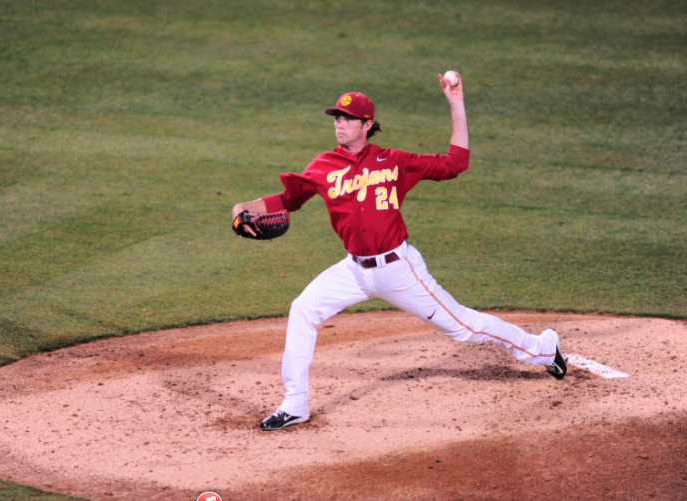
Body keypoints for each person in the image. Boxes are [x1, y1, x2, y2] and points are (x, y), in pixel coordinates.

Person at [231, 73, 567, 431]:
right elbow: (287, 201)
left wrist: (456, 103)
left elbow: (456, 163)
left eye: (347, 118)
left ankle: (543, 348)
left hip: (398, 269)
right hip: (354, 271)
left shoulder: (393, 162)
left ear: (368, 124)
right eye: (337, 118)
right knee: (303, 309)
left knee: (462, 327)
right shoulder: (324, 166)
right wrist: (240, 208)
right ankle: (295, 404)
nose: (340, 124)